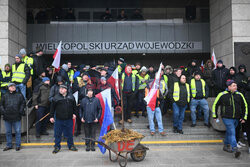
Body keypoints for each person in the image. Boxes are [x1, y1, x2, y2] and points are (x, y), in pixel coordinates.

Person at [212, 80, 248, 158]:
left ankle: (225, 145)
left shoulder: (239, 95)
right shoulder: (222, 94)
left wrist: (244, 117)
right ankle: (235, 148)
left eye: (236, 85)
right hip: (226, 118)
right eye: (234, 85)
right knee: (232, 132)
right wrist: (215, 116)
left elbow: (245, 106)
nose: (236, 87)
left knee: (229, 132)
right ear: (229, 87)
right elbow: (215, 104)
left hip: (237, 118)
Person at [50, 84, 78, 154]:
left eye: (62, 89)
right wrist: (51, 116)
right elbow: (52, 108)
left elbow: (75, 107)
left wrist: (74, 113)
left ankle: (71, 145)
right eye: (60, 89)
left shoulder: (71, 97)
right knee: (57, 134)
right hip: (59, 119)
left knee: (69, 133)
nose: (60, 90)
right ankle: (57, 146)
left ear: (66, 89)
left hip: (69, 119)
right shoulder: (56, 98)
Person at [0, 83, 25, 151]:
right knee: (8, 132)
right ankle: (9, 145)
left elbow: (23, 103)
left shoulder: (19, 95)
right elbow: (1, 105)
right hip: (7, 116)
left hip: (16, 116)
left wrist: (20, 111)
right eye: (11, 86)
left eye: (14, 86)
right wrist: (3, 112)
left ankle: (18, 145)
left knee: (17, 131)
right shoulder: (5, 95)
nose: (13, 87)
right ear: (8, 88)